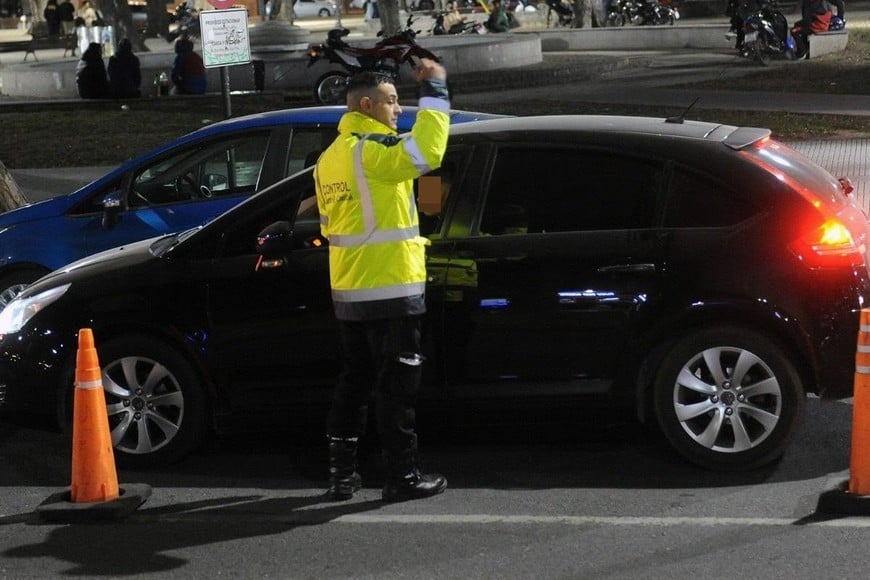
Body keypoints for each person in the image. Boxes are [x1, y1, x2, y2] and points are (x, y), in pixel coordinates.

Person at [313, 61, 451, 503]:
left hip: (350, 292)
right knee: (397, 391)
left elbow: (333, 221)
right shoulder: (372, 152)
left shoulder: (329, 159)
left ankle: (341, 477)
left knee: (353, 384)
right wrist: (434, 89)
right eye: (393, 101)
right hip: (392, 289)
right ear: (367, 105)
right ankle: (403, 477)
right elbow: (429, 154)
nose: (399, 109)